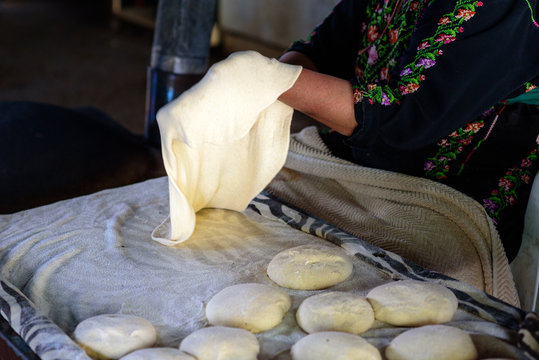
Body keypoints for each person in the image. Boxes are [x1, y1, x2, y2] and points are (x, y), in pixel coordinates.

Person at [276, 0, 539, 261]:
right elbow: (319, 52)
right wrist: (268, 78)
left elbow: (407, 117)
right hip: (364, 162)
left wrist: (273, 80)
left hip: (449, 194)